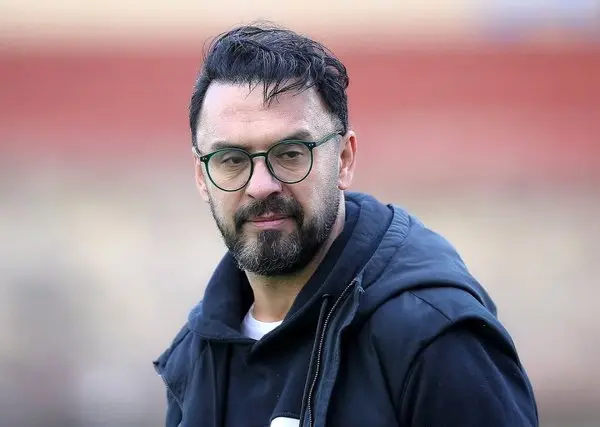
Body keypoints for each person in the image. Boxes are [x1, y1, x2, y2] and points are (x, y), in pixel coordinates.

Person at [153, 23, 539, 427]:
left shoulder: (434, 338)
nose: (261, 186)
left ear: (344, 159)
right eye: (232, 160)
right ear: (202, 177)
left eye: (291, 153)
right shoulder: (195, 358)